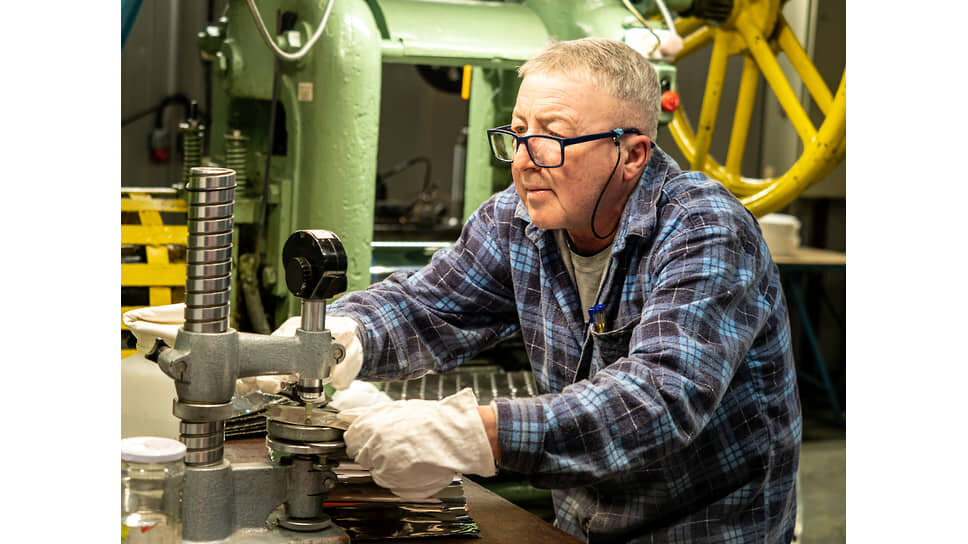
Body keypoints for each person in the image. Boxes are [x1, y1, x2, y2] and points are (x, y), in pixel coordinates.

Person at [126, 37, 800, 543]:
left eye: (553, 139)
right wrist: (334, 339)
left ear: (631, 154)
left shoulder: (705, 229)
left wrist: (471, 433)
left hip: (702, 528)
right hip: (579, 523)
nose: (524, 161)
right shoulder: (518, 218)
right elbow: (429, 307)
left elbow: (658, 401)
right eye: (518, 134)